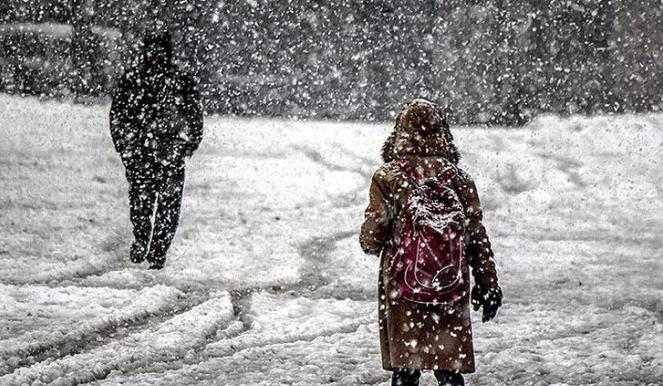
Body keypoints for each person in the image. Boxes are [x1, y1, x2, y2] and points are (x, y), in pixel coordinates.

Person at [359, 100, 502, 386]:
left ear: (399, 134)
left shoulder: (388, 177)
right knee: (448, 368)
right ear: (443, 133)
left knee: (406, 368)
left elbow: (374, 232)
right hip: (450, 283)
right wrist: (488, 283)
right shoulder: (459, 180)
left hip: (404, 285)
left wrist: (370, 242)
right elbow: (476, 235)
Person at [110, 30, 203, 269]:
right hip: (142, 153)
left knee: (167, 207)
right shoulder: (133, 81)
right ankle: (142, 239)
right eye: (152, 51)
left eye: (160, 51)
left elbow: (194, 118)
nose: (156, 56)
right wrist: (126, 146)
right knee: (142, 202)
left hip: (168, 153)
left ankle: (158, 251)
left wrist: (186, 145)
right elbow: (118, 116)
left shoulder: (179, 82)